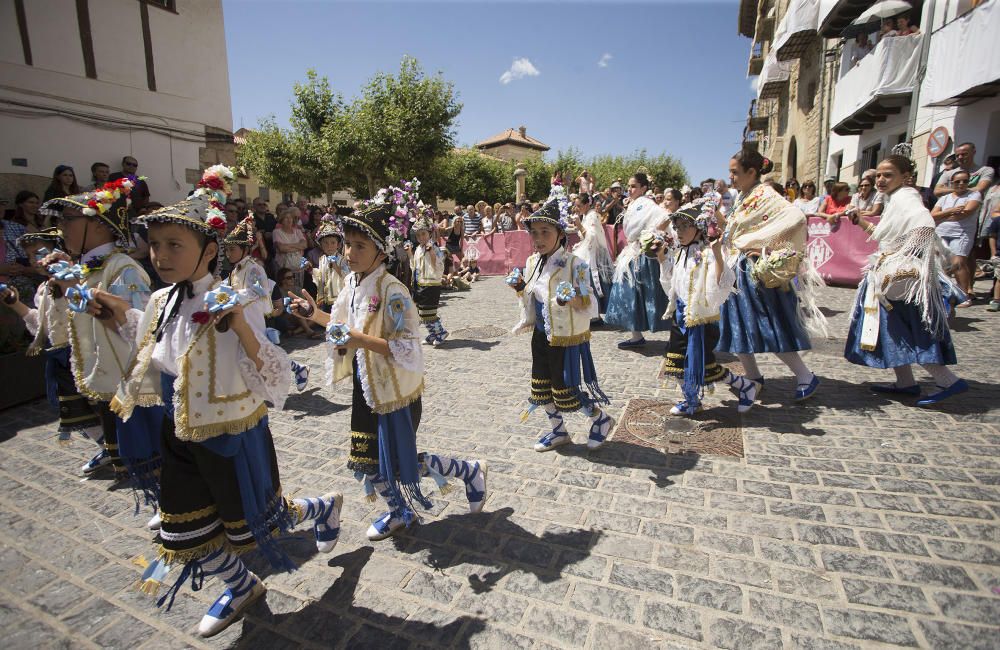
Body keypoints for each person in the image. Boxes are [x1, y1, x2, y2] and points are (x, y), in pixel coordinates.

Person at [105, 166, 342, 637]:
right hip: (181, 429)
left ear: (208, 250)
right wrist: (120, 316)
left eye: (175, 245)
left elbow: (276, 376)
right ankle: (241, 587)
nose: (161, 255)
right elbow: (159, 347)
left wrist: (240, 329)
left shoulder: (233, 299)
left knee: (259, 522)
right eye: (156, 245)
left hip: (232, 432)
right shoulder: (159, 300)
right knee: (182, 530)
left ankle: (321, 506)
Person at [286, 189, 487, 542]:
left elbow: (408, 349)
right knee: (368, 460)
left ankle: (468, 471)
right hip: (367, 387)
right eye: (347, 243)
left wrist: (357, 340)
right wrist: (313, 314)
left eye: (359, 245)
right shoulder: (352, 282)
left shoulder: (394, 291)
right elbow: (341, 326)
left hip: (396, 392)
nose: (349, 252)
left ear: (381, 250)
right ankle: (399, 511)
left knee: (397, 460)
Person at [38, 176, 165, 509]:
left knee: (150, 454)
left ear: (97, 224)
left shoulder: (122, 269)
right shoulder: (85, 268)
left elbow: (139, 328)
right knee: (128, 453)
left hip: (131, 386)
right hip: (105, 381)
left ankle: (176, 509)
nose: (61, 227)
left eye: (68, 219)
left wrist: (86, 297)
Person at [845, 154, 967, 405]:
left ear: (905, 176)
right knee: (892, 331)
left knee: (911, 331)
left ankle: (947, 380)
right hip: (892, 278)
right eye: (878, 174)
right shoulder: (894, 198)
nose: (880, 179)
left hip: (902, 281)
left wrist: (904, 256)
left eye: (888, 175)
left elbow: (924, 225)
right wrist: (861, 222)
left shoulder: (906, 197)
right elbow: (883, 235)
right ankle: (906, 382)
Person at [507, 193, 613, 452]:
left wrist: (571, 298)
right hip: (542, 336)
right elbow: (534, 297)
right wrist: (520, 287)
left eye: (545, 232)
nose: (538, 239)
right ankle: (558, 430)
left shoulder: (575, 264)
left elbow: (589, 302)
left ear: (560, 234)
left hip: (565, 338)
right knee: (540, 387)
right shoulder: (532, 262)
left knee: (566, 389)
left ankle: (600, 419)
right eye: (534, 233)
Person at [719, 149, 826, 401]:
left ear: (752, 172)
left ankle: (805, 376)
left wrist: (765, 247)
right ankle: (753, 377)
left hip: (752, 272)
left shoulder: (765, 194)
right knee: (738, 326)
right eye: (730, 172)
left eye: (735, 172)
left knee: (768, 325)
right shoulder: (745, 196)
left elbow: (796, 218)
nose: (731, 177)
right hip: (736, 270)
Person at [655, 199, 759, 415]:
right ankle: (692, 401)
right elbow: (672, 284)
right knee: (675, 362)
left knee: (705, 366)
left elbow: (723, 283)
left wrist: (719, 254)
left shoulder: (707, 253)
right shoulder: (680, 253)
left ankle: (745, 386)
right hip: (681, 317)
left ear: (699, 228)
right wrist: (661, 259)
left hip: (701, 321)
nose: (679, 231)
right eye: (677, 227)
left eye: (685, 226)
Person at [1, 228, 102, 444]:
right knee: (72, 407)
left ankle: (119, 447)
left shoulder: (80, 276)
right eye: (30, 256)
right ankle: (104, 444)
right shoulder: (42, 289)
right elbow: (42, 326)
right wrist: (15, 304)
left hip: (87, 350)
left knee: (98, 401)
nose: (36, 260)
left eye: (40, 252)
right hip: (61, 355)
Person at [605, 172, 671, 347]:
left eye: (634, 186)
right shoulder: (635, 204)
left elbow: (664, 218)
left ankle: (676, 334)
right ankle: (636, 335)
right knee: (628, 293)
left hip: (643, 254)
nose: (630, 189)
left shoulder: (647, 204)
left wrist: (650, 236)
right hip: (632, 252)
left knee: (651, 295)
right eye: (629, 186)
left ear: (644, 188)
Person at [932, 169, 982, 306]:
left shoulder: (974, 195)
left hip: (961, 233)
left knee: (958, 262)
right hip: (941, 232)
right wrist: (950, 211)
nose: (961, 184)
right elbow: (933, 215)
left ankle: (964, 295)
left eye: (965, 181)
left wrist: (943, 215)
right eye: (957, 181)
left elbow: (966, 212)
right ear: (952, 183)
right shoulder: (944, 198)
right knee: (941, 265)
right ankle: (946, 294)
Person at [572, 192, 614, 319]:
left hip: (593, 256)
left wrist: (579, 225)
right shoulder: (586, 215)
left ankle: (594, 313)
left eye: (579, 206)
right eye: (576, 206)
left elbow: (592, 237)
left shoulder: (592, 216)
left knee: (589, 283)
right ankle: (590, 311)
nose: (577, 208)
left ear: (586, 205)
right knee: (581, 280)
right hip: (586, 252)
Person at [2, 191, 47, 304]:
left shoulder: (14, 227)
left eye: (2, 205)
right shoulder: (18, 223)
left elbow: (36, 249)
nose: (1, 208)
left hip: (24, 266)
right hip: (10, 274)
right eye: (31, 202)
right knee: (23, 286)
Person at [411, 211, 448, 345]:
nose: (421, 237)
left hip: (431, 285)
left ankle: (441, 332)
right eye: (419, 235)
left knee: (429, 312)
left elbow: (438, 265)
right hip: (420, 284)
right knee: (421, 312)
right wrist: (410, 253)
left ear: (429, 234)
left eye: (424, 234)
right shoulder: (418, 249)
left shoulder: (434, 247)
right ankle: (433, 334)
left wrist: (431, 251)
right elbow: (414, 266)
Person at [310, 216, 350, 312]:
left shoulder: (342, 259)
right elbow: (320, 277)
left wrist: (335, 266)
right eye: (325, 243)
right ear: (321, 245)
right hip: (325, 297)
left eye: (333, 243)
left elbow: (348, 276)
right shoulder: (322, 259)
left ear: (338, 245)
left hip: (338, 298)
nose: (329, 246)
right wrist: (310, 269)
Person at [273, 208, 308, 290]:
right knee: (283, 289)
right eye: (286, 218)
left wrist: (287, 246)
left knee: (298, 289)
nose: (289, 220)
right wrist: (297, 246)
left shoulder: (298, 231)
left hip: (297, 267)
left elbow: (304, 245)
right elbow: (281, 248)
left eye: (291, 218)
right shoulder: (277, 232)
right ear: (281, 220)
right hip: (283, 266)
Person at [986, 202, 1000, 311]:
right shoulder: (997, 221)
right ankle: (996, 300)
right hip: (999, 254)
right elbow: (992, 237)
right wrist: (993, 253)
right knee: (999, 278)